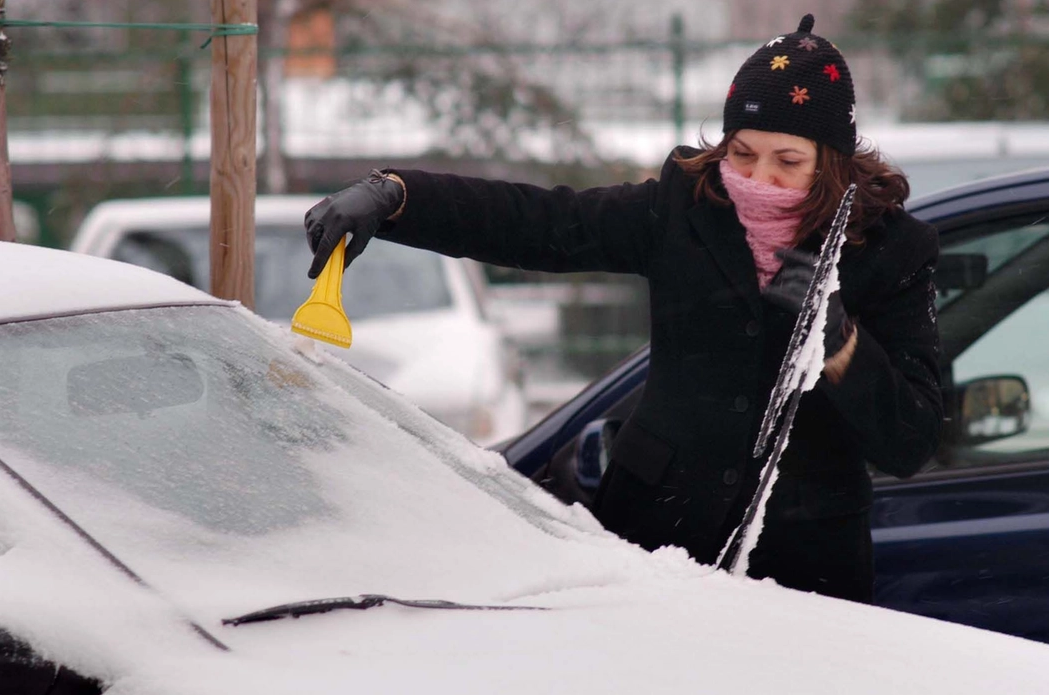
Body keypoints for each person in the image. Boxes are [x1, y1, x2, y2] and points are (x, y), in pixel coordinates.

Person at [303, 14, 942, 604]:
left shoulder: (890, 249)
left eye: (788, 161)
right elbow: (539, 223)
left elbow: (910, 439)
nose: (759, 178)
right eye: (742, 153)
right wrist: (396, 197)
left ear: (832, 162)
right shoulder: (685, 210)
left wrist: (838, 342)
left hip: (805, 563)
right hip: (657, 537)